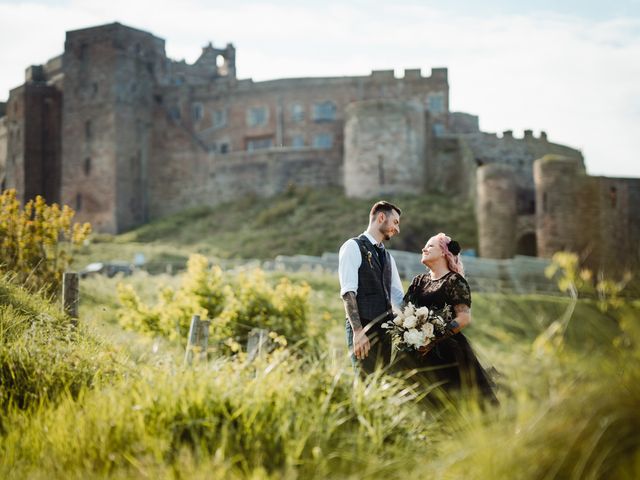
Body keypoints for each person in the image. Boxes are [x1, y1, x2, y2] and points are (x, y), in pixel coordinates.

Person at [396, 232, 498, 403]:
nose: (424, 248)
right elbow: (404, 311)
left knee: (451, 400)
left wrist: (432, 338)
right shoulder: (418, 281)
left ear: (444, 252)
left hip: (446, 352)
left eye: (430, 246)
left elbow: (464, 318)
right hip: (415, 349)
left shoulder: (454, 281)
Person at [338, 201, 404, 374]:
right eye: (395, 222)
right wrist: (358, 332)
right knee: (364, 384)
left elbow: (398, 299)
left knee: (382, 387)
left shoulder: (388, 258)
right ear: (381, 217)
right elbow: (348, 293)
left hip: (385, 334)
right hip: (363, 330)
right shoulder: (353, 247)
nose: (397, 229)